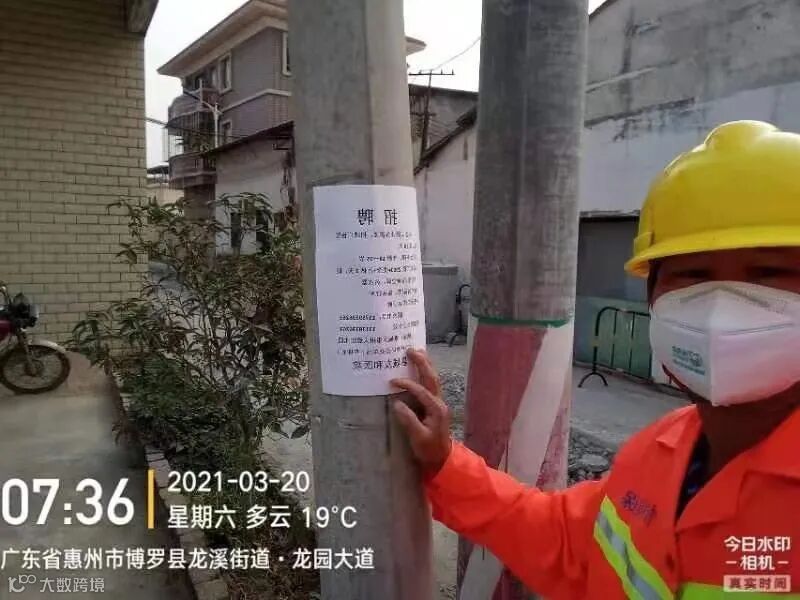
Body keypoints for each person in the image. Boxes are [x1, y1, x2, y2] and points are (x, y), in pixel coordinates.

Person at [391, 120, 800, 598]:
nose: (719, 309)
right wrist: (445, 463)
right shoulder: (657, 452)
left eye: (767, 273)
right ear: (653, 296)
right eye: (693, 275)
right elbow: (565, 542)